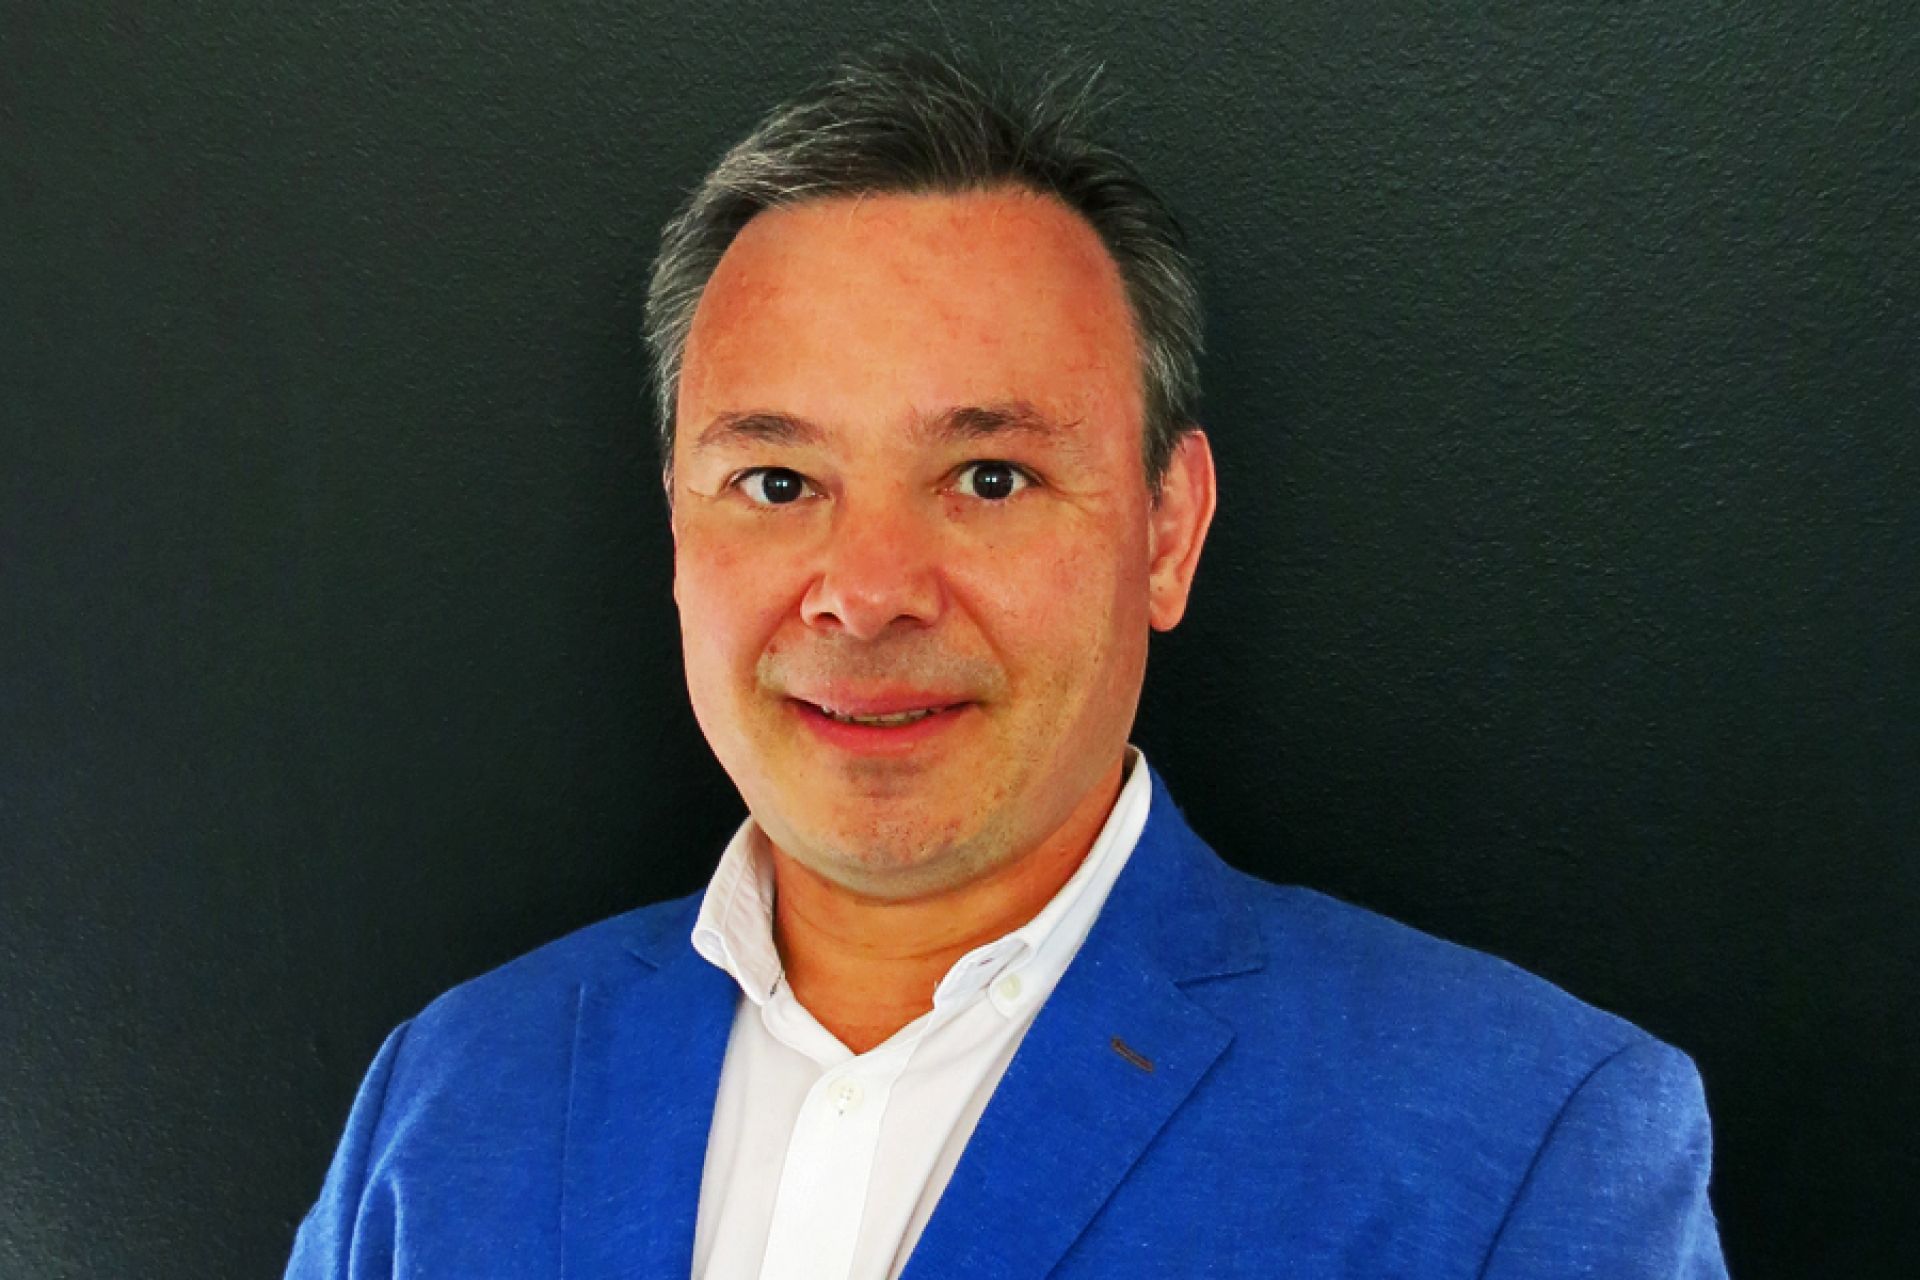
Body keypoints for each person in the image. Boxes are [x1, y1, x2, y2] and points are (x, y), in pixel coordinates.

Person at [286, 46, 1728, 1279]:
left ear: (1168, 532)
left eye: (988, 478)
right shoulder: (447, 1100)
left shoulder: (1526, 1145)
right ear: (676, 529)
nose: (865, 596)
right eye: (778, 483)